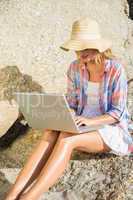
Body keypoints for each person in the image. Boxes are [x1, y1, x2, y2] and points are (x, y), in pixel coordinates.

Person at [5, 17, 133, 200]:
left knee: (67, 140)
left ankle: (28, 197)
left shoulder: (115, 70)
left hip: (109, 128)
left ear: (97, 46)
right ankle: (12, 195)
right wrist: (65, 114)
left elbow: (117, 113)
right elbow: (72, 103)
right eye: (78, 49)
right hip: (82, 122)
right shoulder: (74, 68)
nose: (81, 54)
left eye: (85, 48)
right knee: (50, 131)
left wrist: (90, 121)